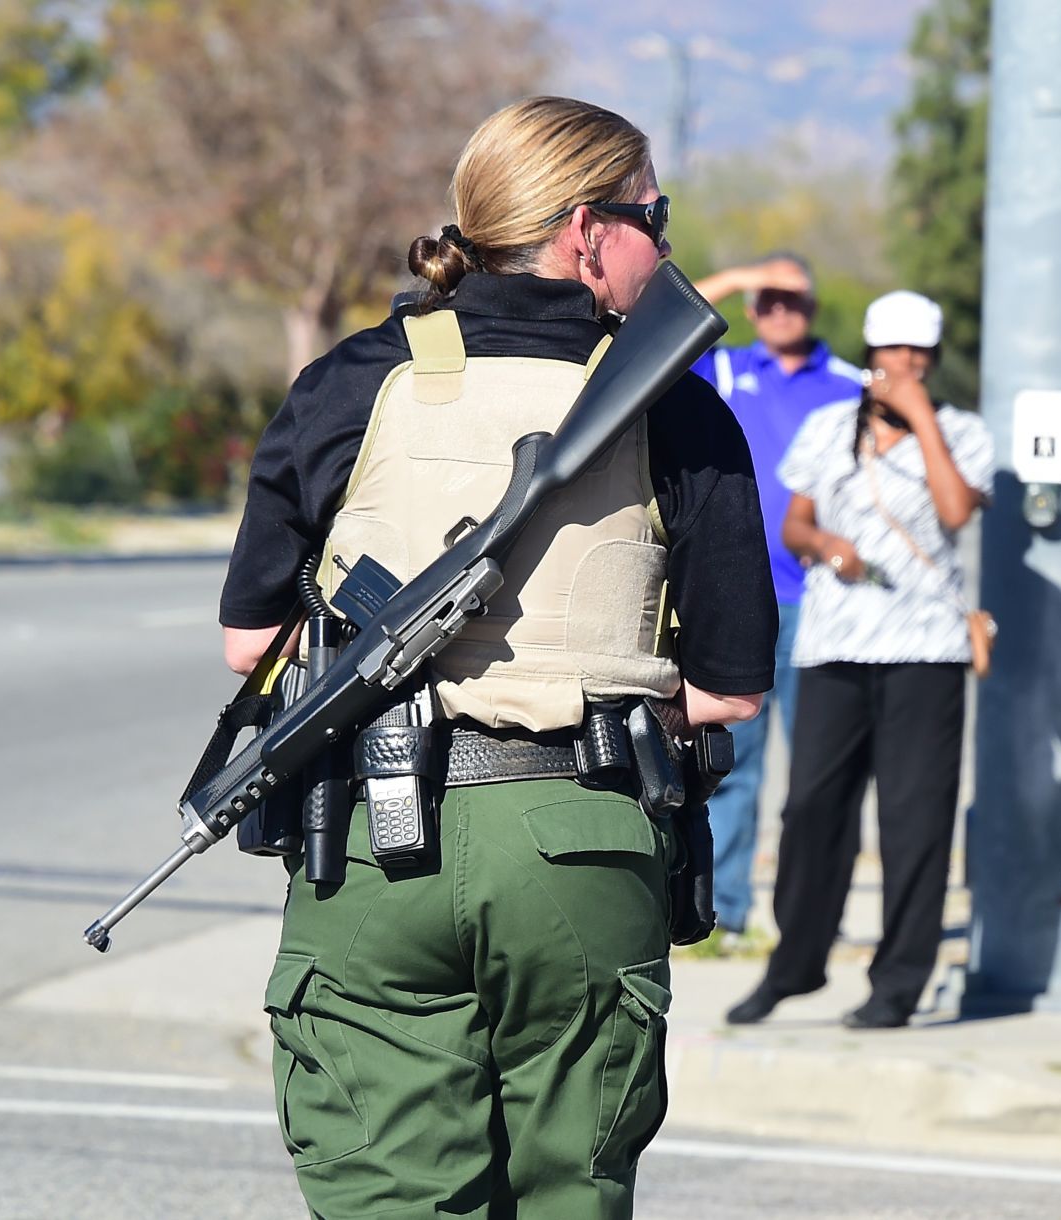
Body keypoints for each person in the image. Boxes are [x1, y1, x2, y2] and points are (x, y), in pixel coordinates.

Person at [216, 97, 776, 1217]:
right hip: (581, 840)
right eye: (653, 215)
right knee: (571, 1191)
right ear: (587, 230)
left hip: (371, 844)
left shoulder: (353, 378)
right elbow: (729, 687)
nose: (664, 243)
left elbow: (250, 642)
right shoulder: (674, 404)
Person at [724, 290, 995, 1029]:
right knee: (811, 808)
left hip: (925, 649)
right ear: (871, 355)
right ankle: (795, 964)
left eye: (917, 355)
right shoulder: (828, 426)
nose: (902, 365)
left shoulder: (963, 432)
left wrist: (925, 423)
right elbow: (796, 523)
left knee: (914, 819)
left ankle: (898, 982)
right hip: (836, 643)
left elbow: (955, 512)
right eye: (891, 352)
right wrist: (828, 549)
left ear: (932, 361)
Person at [689, 254, 863, 937]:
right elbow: (646, 324)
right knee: (736, 767)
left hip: (825, 603)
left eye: (794, 299)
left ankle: (812, 916)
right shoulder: (728, 370)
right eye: (767, 299)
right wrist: (736, 279)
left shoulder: (850, 386)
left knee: (822, 772)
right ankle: (728, 914)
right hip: (741, 599)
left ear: (815, 308)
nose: (780, 310)